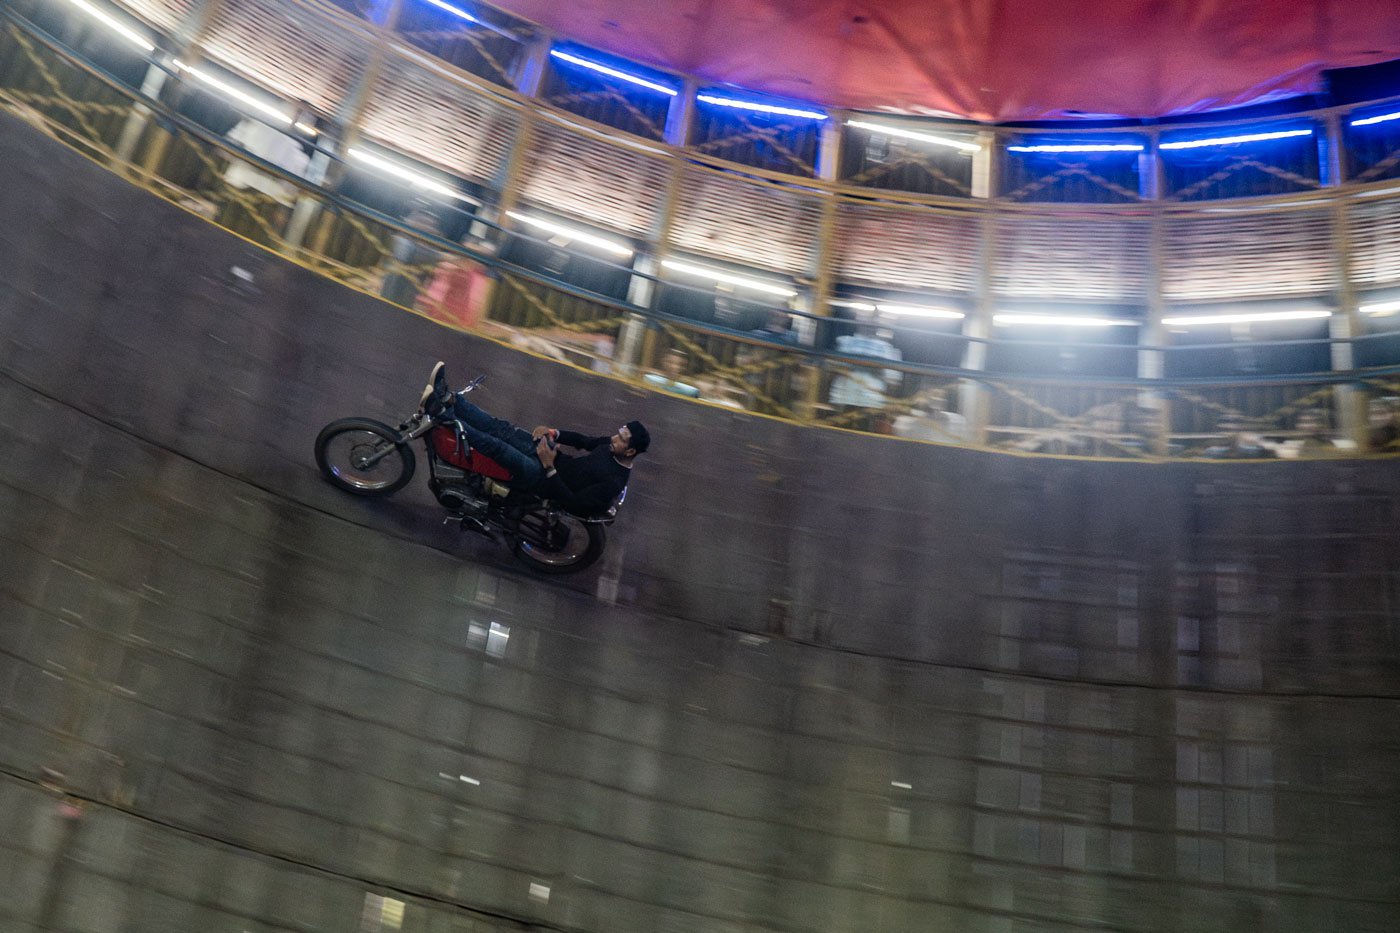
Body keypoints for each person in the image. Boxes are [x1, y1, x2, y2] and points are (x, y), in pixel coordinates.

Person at [423, 363, 649, 516]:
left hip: (543, 480)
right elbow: (584, 441)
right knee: (501, 428)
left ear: (630, 452)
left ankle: (443, 414)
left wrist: (549, 467)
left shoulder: (614, 481)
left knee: (496, 447)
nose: (614, 439)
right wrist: (554, 433)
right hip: (550, 457)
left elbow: (574, 503)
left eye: (621, 439)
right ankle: (450, 399)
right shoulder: (610, 447)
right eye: (618, 433)